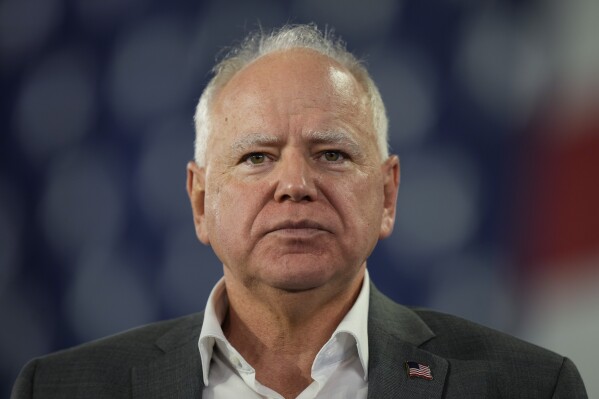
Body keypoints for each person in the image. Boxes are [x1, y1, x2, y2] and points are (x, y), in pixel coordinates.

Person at [12, 24, 587, 399]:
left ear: (387, 195)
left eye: (331, 154)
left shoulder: (531, 387)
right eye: (257, 156)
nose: (294, 184)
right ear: (200, 201)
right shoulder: (61, 389)